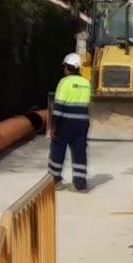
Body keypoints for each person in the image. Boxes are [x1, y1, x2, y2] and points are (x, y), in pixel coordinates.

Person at [49, 53, 91, 192]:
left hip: (65, 123)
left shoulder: (64, 82)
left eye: (64, 66)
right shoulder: (86, 83)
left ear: (67, 67)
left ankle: (55, 180)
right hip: (82, 124)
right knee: (79, 152)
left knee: (57, 150)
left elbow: (58, 107)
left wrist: (53, 126)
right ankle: (80, 184)